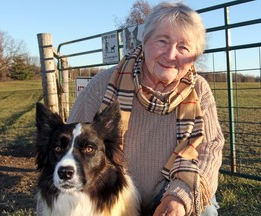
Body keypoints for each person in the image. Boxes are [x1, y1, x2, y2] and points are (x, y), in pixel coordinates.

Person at [67, 2, 224, 216]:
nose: (170, 55)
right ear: (145, 41)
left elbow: (210, 148)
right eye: (162, 41)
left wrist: (180, 196)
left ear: (194, 57)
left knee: (204, 210)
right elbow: (67, 148)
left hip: (172, 187)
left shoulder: (199, 89)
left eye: (183, 47)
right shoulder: (104, 85)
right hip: (114, 192)